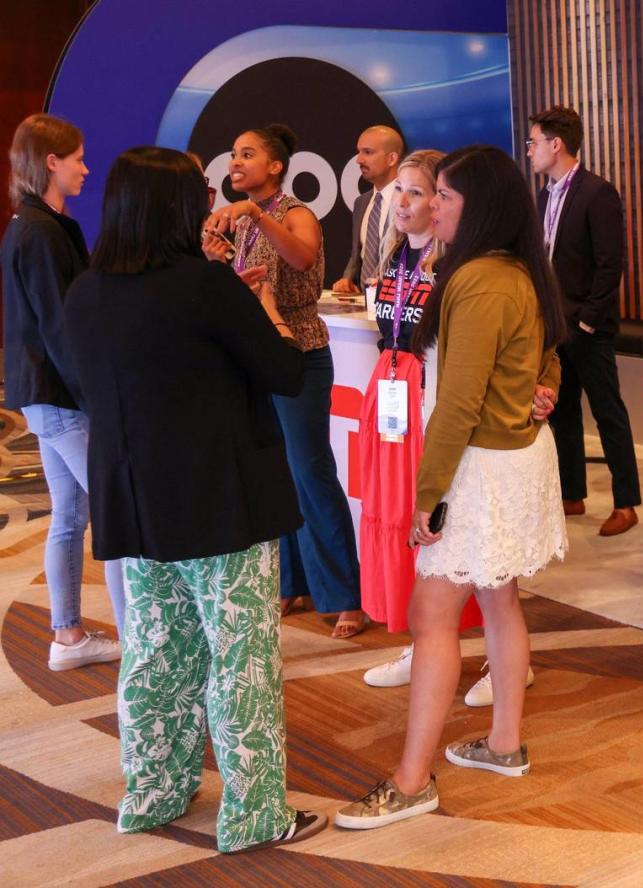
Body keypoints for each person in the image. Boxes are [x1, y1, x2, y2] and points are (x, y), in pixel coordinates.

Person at [63, 146, 325, 853]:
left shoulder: (87, 290)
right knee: (240, 662)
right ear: (177, 208)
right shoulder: (207, 287)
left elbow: (73, 375)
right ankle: (253, 816)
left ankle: (150, 792)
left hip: (136, 502)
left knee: (155, 655)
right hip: (222, 502)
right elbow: (283, 372)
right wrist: (261, 304)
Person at [336, 145, 567, 829]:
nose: (430, 206)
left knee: (432, 617)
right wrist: (543, 385)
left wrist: (425, 497)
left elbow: (458, 402)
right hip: (513, 459)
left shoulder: (478, 280)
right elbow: (545, 348)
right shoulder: (511, 271)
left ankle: (411, 781)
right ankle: (502, 743)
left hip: (482, 468)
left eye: (445, 196)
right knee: (498, 600)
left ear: (479, 207)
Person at [358, 150, 511, 702]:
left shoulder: (460, 269)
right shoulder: (399, 254)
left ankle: (503, 657)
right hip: (394, 388)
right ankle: (422, 641)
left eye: (419, 192)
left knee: (458, 520)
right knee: (404, 519)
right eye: (400, 191)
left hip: (437, 397)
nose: (403, 202)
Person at [207, 124, 363, 637]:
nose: (236, 161)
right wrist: (220, 260)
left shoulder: (295, 213)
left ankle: (346, 597)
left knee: (311, 472)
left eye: (247, 154)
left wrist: (254, 214)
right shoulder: (240, 221)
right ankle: (292, 584)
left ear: (275, 167)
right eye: (233, 153)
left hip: (300, 353)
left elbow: (303, 259)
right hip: (258, 356)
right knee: (278, 473)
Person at [0, 112, 125, 670]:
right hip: (60, 397)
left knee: (71, 515)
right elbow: (61, 326)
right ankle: (140, 642)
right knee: (118, 513)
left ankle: (67, 637)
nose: (86, 167)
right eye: (77, 158)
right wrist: (100, 392)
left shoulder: (39, 225)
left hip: (45, 395)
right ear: (51, 161)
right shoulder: (39, 231)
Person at [527, 105, 641, 537]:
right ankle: (572, 494)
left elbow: (611, 265)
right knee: (562, 412)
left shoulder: (598, 193)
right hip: (553, 327)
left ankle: (626, 503)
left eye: (534, 142)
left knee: (608, 412)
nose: (530, 151)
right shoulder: (542, 196)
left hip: (588, 328)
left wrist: (590, 322)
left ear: (556, 145)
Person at [331, 125, 404, 295]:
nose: (359, 160)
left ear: (392, 158)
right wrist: (347, 278)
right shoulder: (361, 203)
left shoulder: (408, 202)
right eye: (359, 152)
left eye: (368, 152)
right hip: (365, 305)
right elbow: (360, 252)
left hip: (398, 303)